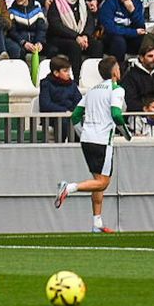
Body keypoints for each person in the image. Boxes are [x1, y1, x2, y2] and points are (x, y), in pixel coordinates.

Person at [54, 56, 125, 234]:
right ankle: (69, 187)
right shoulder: (116, 89)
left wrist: (82, 133)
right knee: (103, 183)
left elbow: (75, 116)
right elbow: (116, 114)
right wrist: (126, 132)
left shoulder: (92, 91)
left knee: (96, 181)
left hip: (87, 140)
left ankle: (97, 222)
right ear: (114, 71)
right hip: (102, 141)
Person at [47, 0, 97, 79]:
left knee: (97, 45)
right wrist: (76, 36)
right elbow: (56, 26)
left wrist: (85, 36)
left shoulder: (81, 1)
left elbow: (90, 21)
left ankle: (94, 77)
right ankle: (76, 78)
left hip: (81, 37)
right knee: (74, 46)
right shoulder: (56, 3)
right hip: (61, 38)